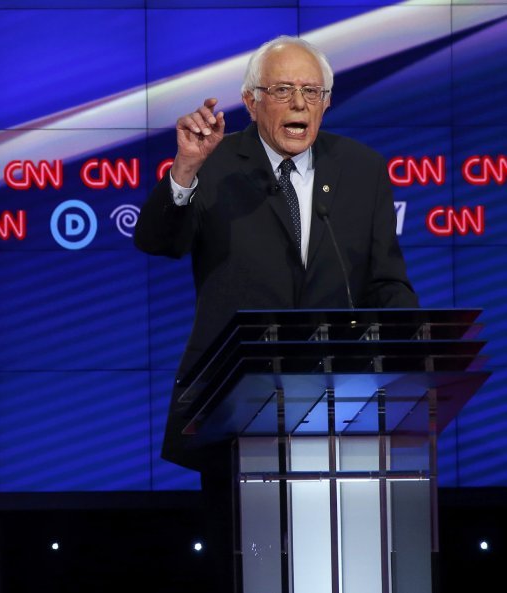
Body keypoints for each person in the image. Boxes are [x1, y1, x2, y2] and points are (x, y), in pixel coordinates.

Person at [134, 36, 418, 590]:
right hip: (235, 414)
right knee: (247, 571)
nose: (298, 103)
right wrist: (185, 169)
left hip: (342, 414)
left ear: (327, 102)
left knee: (338, 571)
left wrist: (412, 356)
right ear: (251, 98)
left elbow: (388, 284)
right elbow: (157, 241)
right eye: (283, 90)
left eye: (311, 91)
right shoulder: (215, 166)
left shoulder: (361, 169)